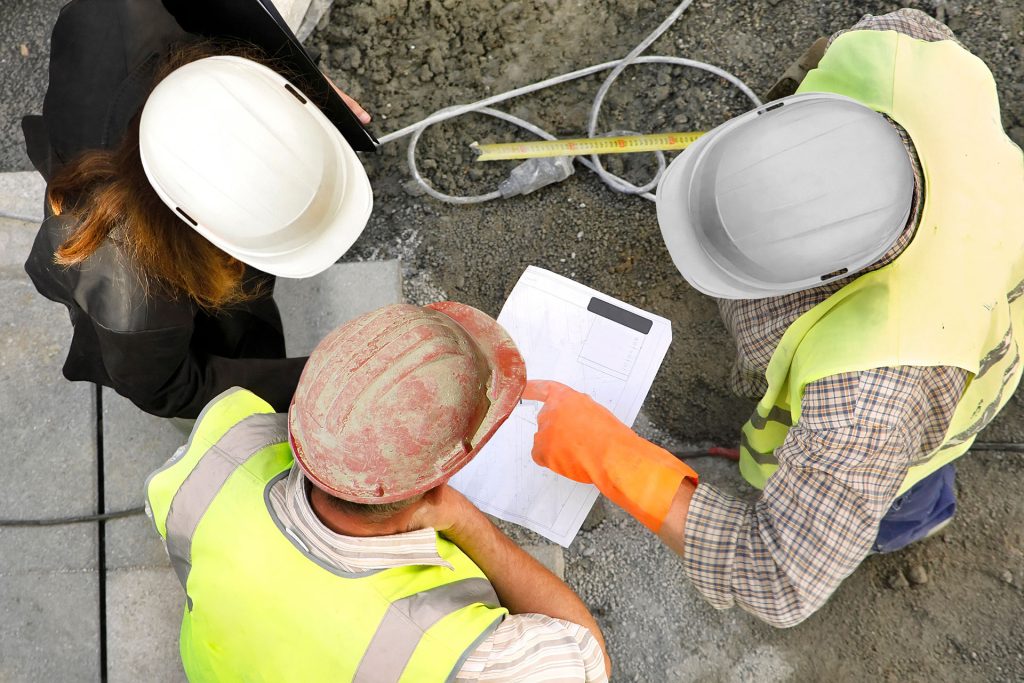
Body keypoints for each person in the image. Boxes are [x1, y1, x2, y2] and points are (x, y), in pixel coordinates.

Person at [526, 9, 1024, 627]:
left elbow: (777, 577)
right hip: (988, 269)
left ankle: (909, 523)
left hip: (951, 366)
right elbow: (813, 71)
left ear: (822, 284)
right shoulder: (901, 53)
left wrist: (606, 452)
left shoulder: (872, 395)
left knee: (905, 489)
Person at [146, 302, 611, 681]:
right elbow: (587, 657)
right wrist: (465, 522)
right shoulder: (457, 653)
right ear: (433, 483)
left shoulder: (224, 443)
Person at [21, 0, 373, 418]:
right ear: (202, 231)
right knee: (228, 332)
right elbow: (170, 387)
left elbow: (228, 21)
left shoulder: (124, 16)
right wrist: (322, 381)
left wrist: (298, 90)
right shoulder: (131, 294)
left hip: (95, 123)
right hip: (130, 253)